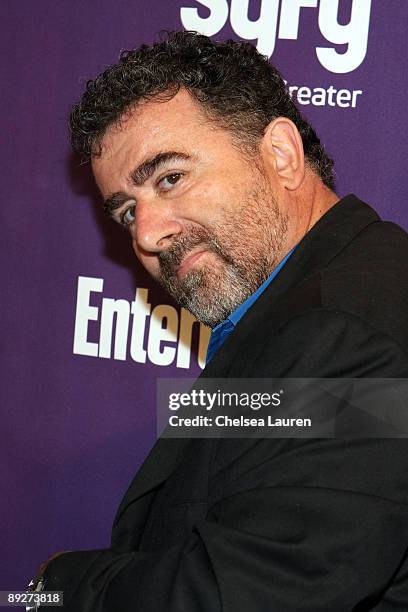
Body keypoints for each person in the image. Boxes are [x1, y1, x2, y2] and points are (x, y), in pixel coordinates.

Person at [35, 31, 408, 611]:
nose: (147, 234)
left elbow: (256, 591)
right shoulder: (302, 305)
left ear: (281, 155)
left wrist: (58, 586)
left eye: (170, 177)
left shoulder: (345, 331)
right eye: (128, 210)